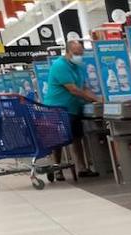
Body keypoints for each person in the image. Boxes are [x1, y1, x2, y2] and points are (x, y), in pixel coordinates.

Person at [42, 40, 101, 178]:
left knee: (77, 138)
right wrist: (93, 99)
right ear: (67, 52)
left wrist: (98, 99)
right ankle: (57, 169)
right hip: (58, 108)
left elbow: (84, 86)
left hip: (73, 108)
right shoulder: (59, 65)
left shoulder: (78, 66)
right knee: (58, 140)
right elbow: (73, 89)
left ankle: (82, 168)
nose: (79, 56)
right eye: (76, 53)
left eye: (81, 53)